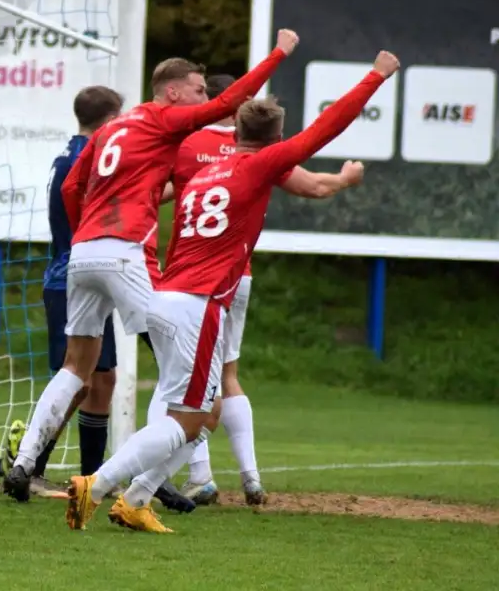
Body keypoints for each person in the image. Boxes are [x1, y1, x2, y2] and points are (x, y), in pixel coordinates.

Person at [66, 50, 399, 533]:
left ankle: (135, 501)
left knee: (203, 413)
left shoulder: (201, 175)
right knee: (186, 420)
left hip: (168, 294)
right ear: (274, 141)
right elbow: (326, 128)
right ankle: (95, 486)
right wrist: (375, 76)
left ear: (236, 132)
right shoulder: (259, 167)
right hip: (200, 307)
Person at [2, 30, 298, 503]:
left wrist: (86, 233)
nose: (205, 99)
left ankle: (24, 463)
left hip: (83, 253)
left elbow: (70, 190)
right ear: (173, 91)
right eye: (199, 90)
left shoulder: (108, 129)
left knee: (75, 366)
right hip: (125, 252)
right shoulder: (163, 121)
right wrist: (279, 54)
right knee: (180, 363)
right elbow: (233, 99)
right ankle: (158, 480)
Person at [154, 74, 365, 506]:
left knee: (183, 386)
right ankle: (248, 477)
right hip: (235, 276)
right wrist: (345, 179)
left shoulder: (190, 146)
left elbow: (157, 193)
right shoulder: (263, 156)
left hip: (188, 280)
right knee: (224, 379)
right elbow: (315, 186)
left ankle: (188, 475)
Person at [5, 85, 124, 499]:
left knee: (101, 379)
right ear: (110, 121)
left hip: (79, 277)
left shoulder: (73, 154)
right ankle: (30, 463)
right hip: (71, 280)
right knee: (79, 378)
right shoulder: (87, 160)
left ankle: (91, 478)